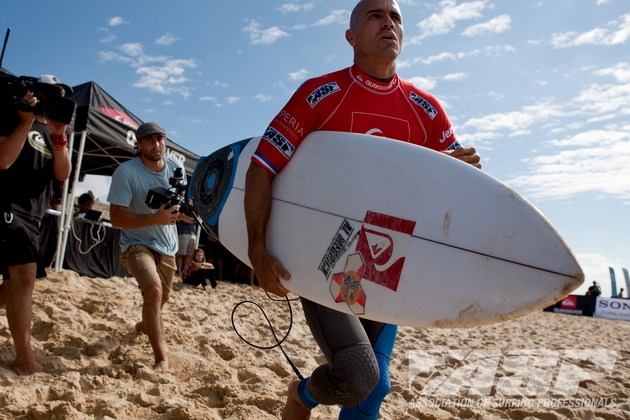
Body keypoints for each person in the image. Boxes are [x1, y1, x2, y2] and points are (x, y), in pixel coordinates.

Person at [244, 1, 481, 418]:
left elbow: (452, 194)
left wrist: (462, 174)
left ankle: (307, 394)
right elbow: (262, 167)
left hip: (384, 257)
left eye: (395, 17)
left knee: (373, 387)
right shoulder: (321, 94)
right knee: (358, 376)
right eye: (375, 15)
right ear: (351, 37)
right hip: (324, 254)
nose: (388, 21)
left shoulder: (426, 110)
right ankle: (300, 399)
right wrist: (257, 250)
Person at [0, 77, 73, 375]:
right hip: (7, 207)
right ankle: (25, 359)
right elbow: (3, 160)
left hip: (34, 217)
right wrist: (25, 121)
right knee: (25, 276)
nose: (47, 100)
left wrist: (60, 136)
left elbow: (63, 173)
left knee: (13, 286)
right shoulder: (12, 116)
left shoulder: (54, 132)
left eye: (55, 96)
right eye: (43, 94)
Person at [107, 121, 191, 373]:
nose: (156, 144)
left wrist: (185, 214)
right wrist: (155, 218)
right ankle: (161, 358)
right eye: (150, 140)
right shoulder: (125, 172)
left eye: (160, 139)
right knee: (154, 291)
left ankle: (146, 324)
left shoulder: (176, 167)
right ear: (139, 144)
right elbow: (116, 218)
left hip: (167, 244)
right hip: (135, 243)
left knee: (162, 297)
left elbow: (181, 204)